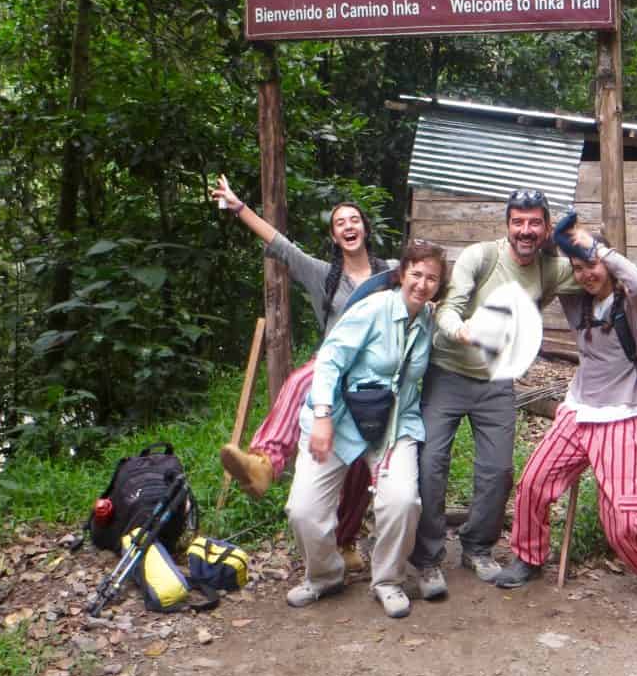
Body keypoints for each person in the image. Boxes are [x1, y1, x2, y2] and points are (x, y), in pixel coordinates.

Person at [491, 221, 637, 600]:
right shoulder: (574, 298)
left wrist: (597, 248)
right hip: (578, 410)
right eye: (579, 267)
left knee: (624, 515)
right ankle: (528, 557)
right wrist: (558, 235)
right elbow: (544, 260)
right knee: (533, 483)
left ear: (607, 263)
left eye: (592, 265)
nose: (586, 274)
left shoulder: (631, 304)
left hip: (624, 413)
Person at [211, 175, 390, 571]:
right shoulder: (321, 275)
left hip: (376, 375)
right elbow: (280, 245)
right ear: (334, 235)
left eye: (354, 219)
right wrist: (239, 207)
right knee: (298, 381)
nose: (348, 225)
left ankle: (345, 542)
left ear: (366, 228)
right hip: (333, 367)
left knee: (362, 460)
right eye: (340, 222)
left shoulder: (391, 273)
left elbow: (428, 274)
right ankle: (264, 463)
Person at [411, 188, 578, 599]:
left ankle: (477, 547)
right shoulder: (480, 256)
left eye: (534, 222)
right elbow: (449, 307)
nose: (525, 230)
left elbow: (600, 272)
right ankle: (428, 557)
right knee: (430, 463)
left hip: (498, 381)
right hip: (447, 372)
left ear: (545, 228)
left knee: (498, 470)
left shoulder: (549, 268)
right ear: (507, 224)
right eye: (518, 221)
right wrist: (460, 330)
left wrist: (577, 237)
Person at [284, 239, 447, 618]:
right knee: (303, 510)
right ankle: (324, 575)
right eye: (417, 274)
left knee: (403, 499)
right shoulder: (373, 309)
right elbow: (329, 360)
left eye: (432, 279)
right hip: (338, 419)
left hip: (393, 424)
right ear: (402, 273)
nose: (422, 284)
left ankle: (387, 580)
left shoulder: (427, 321)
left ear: (439, 286)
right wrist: (322, 416)